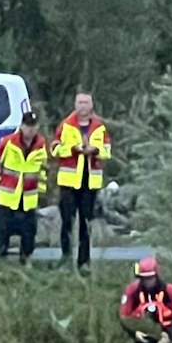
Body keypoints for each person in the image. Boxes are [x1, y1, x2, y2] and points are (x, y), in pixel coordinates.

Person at [52, 92, 111, 272]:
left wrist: (95, 150)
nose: (83, 106)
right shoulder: (66, 125)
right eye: (80, 102)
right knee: (67, 221)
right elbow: (54, 149)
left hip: (90, 182)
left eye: (86, 102)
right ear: (75, 105)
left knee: (86, 223)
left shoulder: (99, 127)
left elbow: (107, 151)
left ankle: (84, 262)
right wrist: (73, 149)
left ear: (91, 105)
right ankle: (66, 258)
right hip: (69, 182)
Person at [0, 107, 49, 262]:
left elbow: (43, 171)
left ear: (37, 127)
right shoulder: (8, 142)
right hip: (7, 194)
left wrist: (41, 191)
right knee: (3, 229)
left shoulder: (41, 145)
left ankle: (26, 259)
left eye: (33, 126)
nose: (30, 129)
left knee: (29, 230)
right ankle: (0, 259)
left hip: (29, 195)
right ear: (22, 126)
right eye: (28, 126)